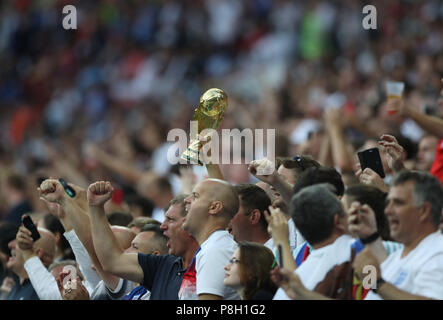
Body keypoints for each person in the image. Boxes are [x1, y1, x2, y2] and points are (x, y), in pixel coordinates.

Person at [86, 185, 199, 300]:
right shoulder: (162, 265)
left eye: (171, 220)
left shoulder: (208, 264)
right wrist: (96, 208)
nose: (162, 226)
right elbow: (111, 261)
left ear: (191, 224)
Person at [352, 170, 443, 300]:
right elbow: (375, 291)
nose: (388, 210)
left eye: (398, 203)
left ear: (423, 211)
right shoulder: (398, 257)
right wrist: (368, 235)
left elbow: (378, 286)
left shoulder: (438, 253)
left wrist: (377, 282)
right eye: (388, 203)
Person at [183, 178, 240, 300]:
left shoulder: (216, 251)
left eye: (195, 196)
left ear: (214, 207)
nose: (186, 200)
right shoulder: (212, 247)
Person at [8, 221, 56, 300]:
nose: (10, 245)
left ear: (37, 254)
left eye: (20, 242)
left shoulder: (44, 289)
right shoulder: (15, 287)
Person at [229, 184, 273, 250]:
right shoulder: (236, 255)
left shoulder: (280, 255)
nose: (224, 218)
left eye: (232, 210)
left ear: (254, 216)